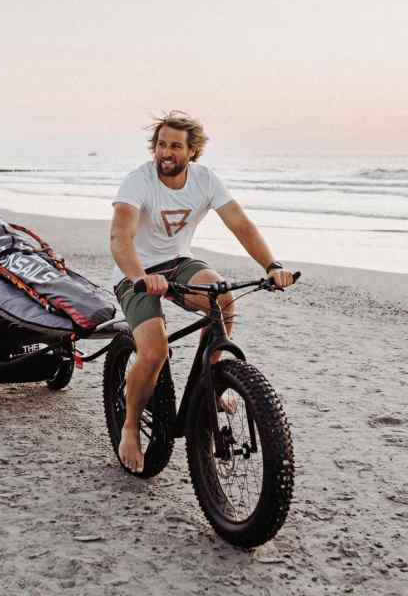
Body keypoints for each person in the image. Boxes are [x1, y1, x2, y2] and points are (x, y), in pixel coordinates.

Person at [109, 110, 296, 473]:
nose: (166, 152)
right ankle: (130, 426)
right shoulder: (138, 181)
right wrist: (139, 277)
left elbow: (240, 224)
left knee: (223, 300)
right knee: (154, 350)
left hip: (179, 262)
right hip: (136, 272)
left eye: (175, 146)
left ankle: (208, 385)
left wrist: (271, 267)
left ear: (192, 152)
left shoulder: (205, 181)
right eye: (161, 144)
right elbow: (120, 236)